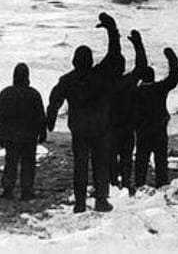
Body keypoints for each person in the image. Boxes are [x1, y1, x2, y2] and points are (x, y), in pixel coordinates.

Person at [46, 12, 125, 213]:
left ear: (74, 61)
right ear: (90, 60)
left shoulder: (67, 79)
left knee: (80, 165)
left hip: (79, 129)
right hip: (100, 127)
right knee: (101, 165)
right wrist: (111, 29)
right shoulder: (99, 74)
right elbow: (114, 54)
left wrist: (51, 119)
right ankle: (101, 200)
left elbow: (55, 99)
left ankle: (80, 203)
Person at [0, 63, 47, 201]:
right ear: (27, 77)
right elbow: (40, 116)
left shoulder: (6, 93)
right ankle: (27, 191)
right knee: (28, 163)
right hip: (29, 135)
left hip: (11, 135)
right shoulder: (34, 94)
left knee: (10, 162)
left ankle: (7, 189)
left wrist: (0, 133)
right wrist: (43, 132)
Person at [133, 46, 178, 188]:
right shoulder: (159, 88)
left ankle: (140, 185)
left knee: (141, 160)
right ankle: (161, 185)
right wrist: (172, 58)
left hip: (142, 130)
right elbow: (174, 77)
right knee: (161, 161)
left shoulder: (136, 91)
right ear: (153, 77)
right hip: (159, 129)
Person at [109, 29, 147, 190]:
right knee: (126, 158)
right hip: (126, 127)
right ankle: (124, 183)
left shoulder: (105, 84)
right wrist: (138, 45)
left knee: (111, 158)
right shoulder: (128, 82)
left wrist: (112, 34)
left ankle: (112, 183)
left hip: (110, 127)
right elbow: (141, 66)